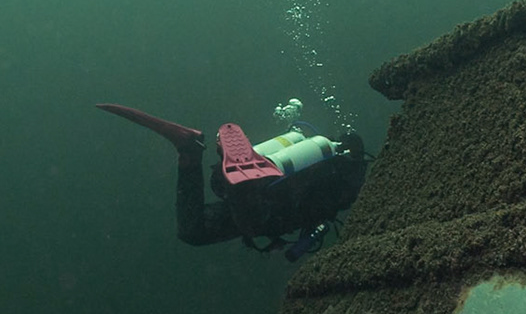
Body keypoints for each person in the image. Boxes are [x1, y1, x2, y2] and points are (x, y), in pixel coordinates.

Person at [96, 100, 368, 261]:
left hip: (262, 184)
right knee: (252, 221)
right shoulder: (349, 178)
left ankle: (191, 152)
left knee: (194, 230)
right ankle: (237, 180)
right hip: (268, 202)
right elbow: (312, 212)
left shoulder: (326, 156)